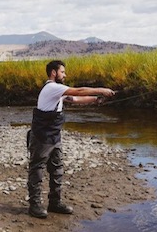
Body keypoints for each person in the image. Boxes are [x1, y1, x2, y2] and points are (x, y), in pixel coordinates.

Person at [27, 59, 115, 219]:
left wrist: (96, 99)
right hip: (41, 137)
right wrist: (101, 90)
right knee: (37, 170)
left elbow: (74, 99)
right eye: (62, 72)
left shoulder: (58, 92)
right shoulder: (53, 87)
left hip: (54, 136)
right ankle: (34, 205)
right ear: (54, 73)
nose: (65, 75)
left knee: (57, 169)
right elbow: (79, 91)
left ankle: (55, 203)